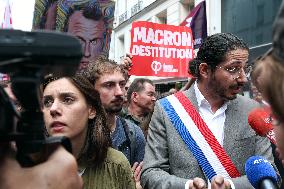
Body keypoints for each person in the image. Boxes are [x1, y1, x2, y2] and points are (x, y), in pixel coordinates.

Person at [141, 33, 275, 189]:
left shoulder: (253, 110)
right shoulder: (166, 110)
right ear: (204, 70)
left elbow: (270, 172)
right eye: (233, 69)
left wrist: (231, 186)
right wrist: (187, 186)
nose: (243, 78)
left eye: (245, 69)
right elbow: (150, 173)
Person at [42, 73, 135, 189]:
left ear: (91, 110)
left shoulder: (116, 165)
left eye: (67, 99)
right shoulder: (27, 166)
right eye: (47, 102)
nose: (53, 109)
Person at [83, 58, 145, 188]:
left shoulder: (134, 134)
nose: (119, 92)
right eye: (109, 85)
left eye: (122, 84)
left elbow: (139, 182)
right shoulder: (79, 134)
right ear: (91, 90)